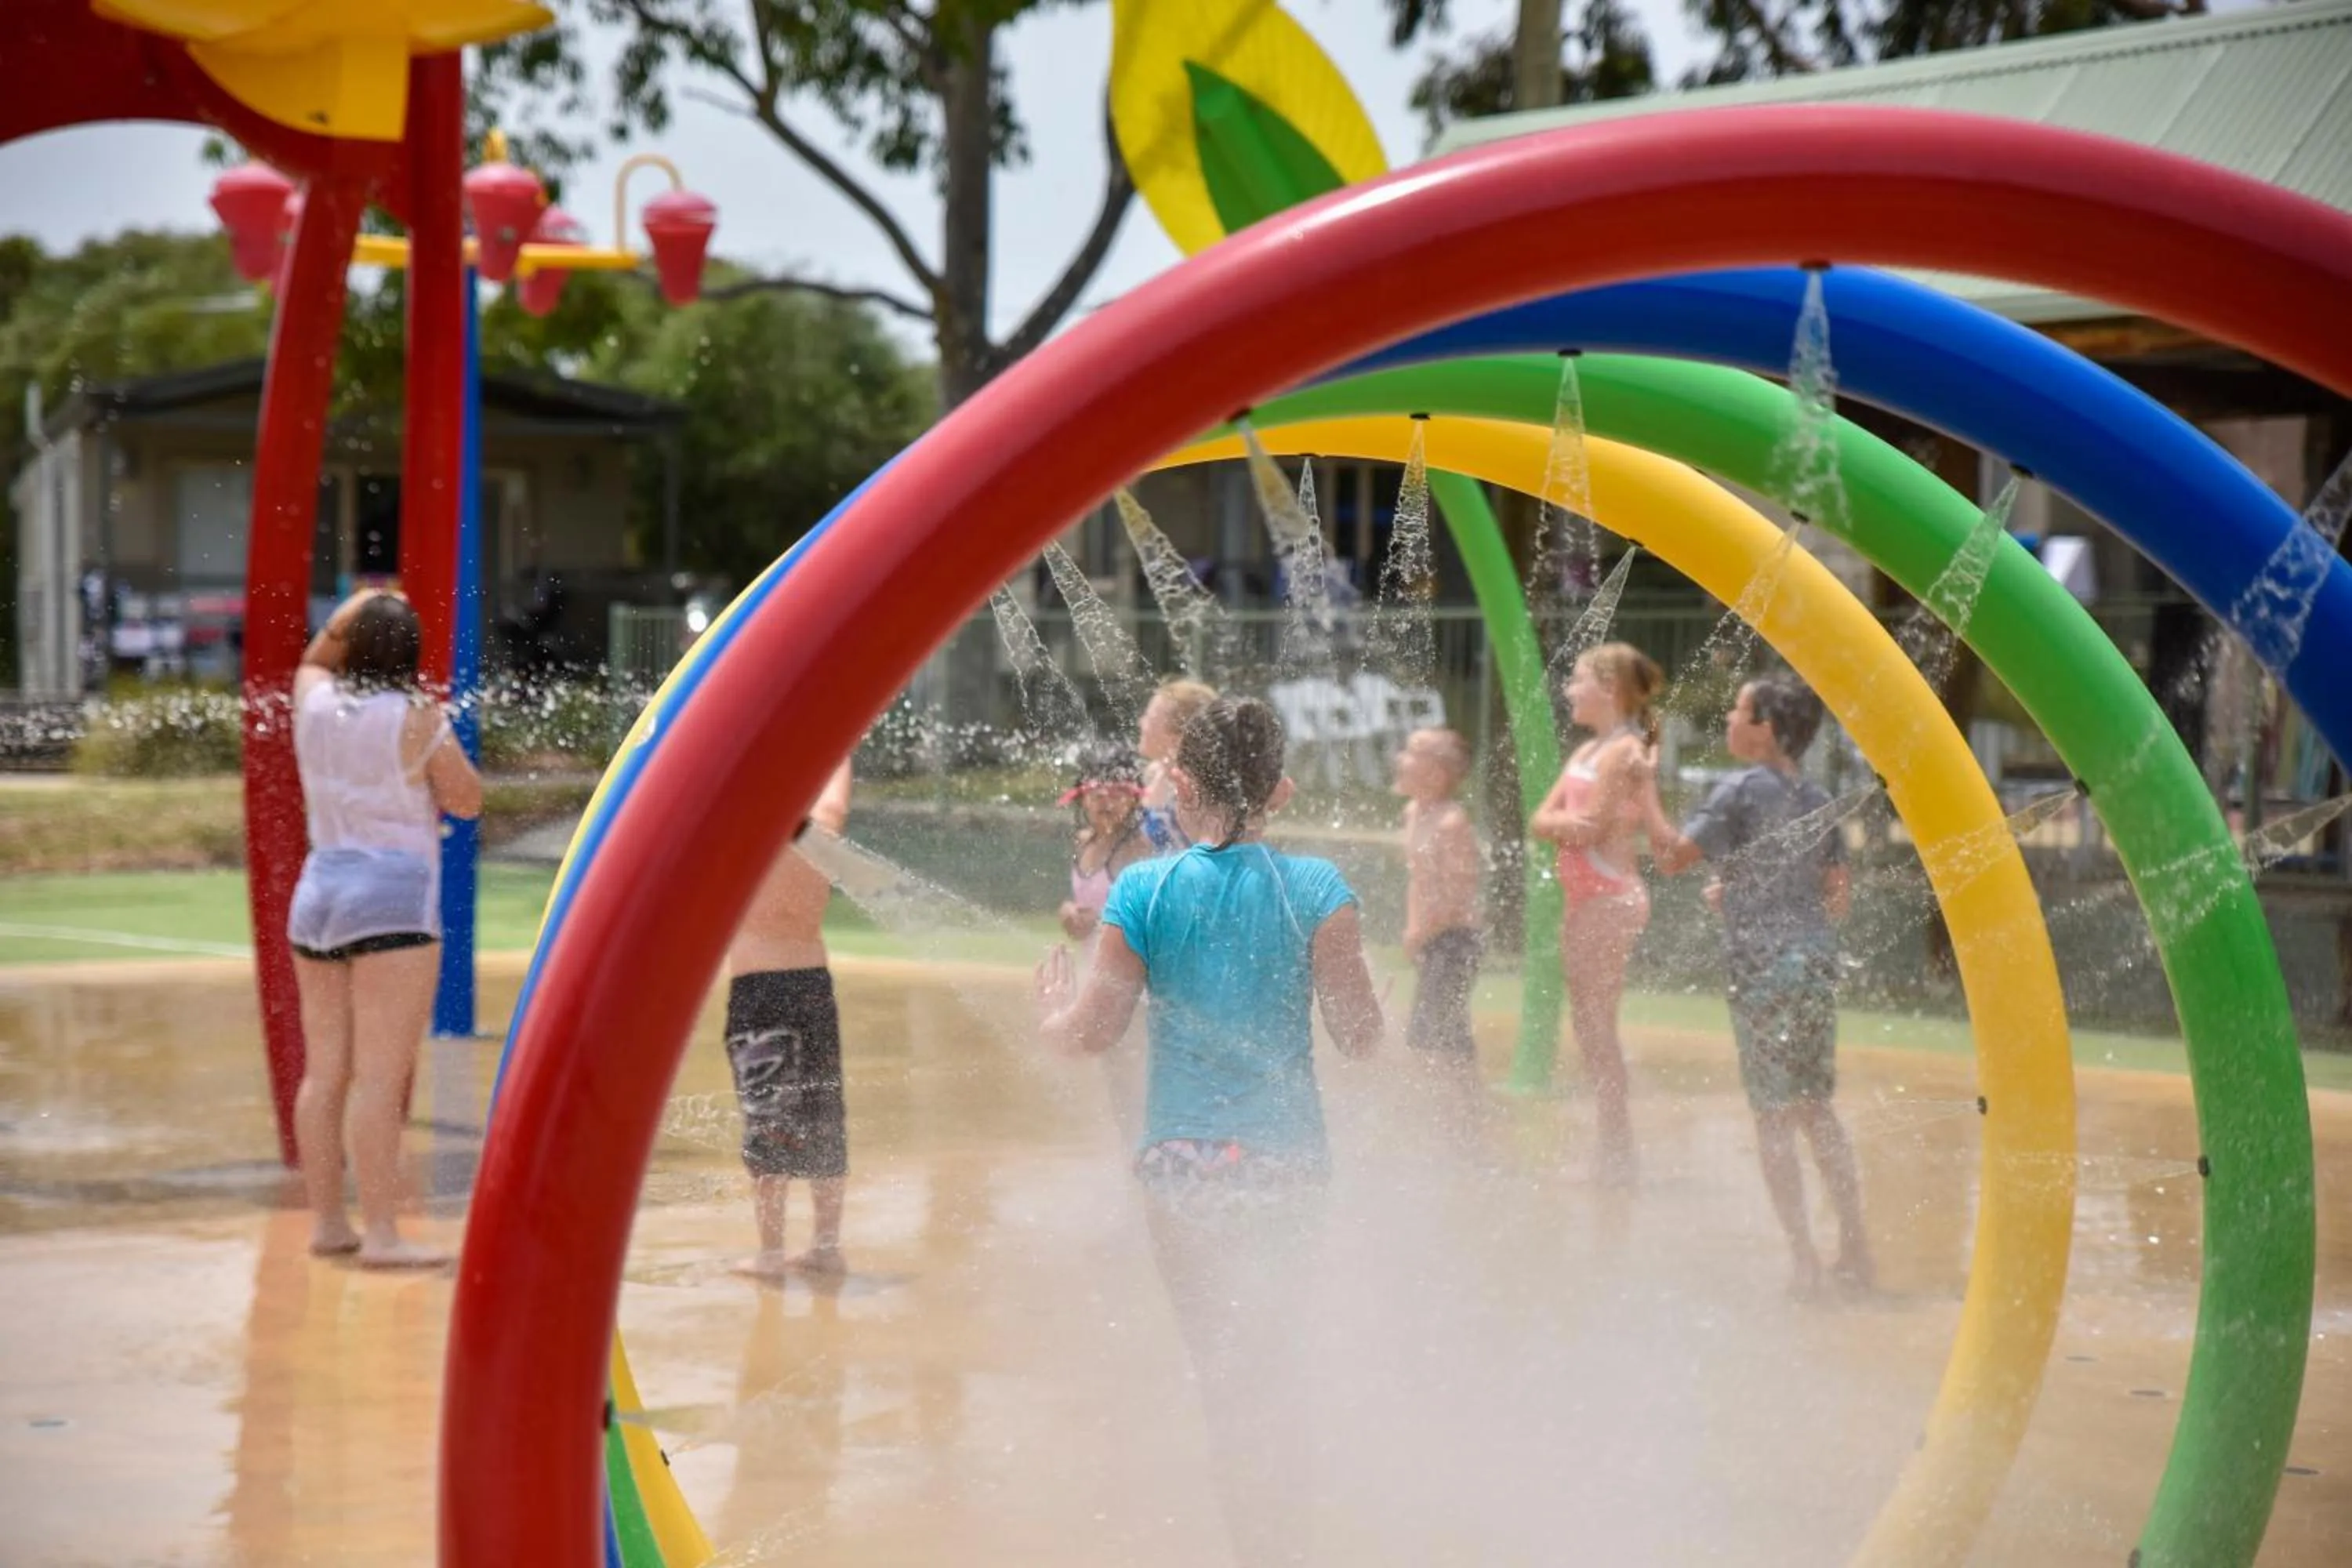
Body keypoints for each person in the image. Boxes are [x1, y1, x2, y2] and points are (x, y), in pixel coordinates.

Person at [1036, 696, 1384, 1566]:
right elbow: (1361, 1036)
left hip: (1181, 1163)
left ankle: (1247, 1546)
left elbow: (1089, 1034)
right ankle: (1287, 1548)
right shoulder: (1318, 892)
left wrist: (1049, 1014)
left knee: (1221, 1372)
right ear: (1283, 788)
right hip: (1288, 1160)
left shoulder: (1144, 888)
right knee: (1276, 1360)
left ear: (1178, 784)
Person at [1645, 675, 1874, 1299]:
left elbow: (1669, 857)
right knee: (1816, 1110)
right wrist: (1747, 893)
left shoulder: (1739, 789)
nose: (1727, 715)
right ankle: (1856, 1247)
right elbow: (1836, 897)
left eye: (1738, 709)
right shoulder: (1818, 795)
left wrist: (1643, 790)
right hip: (1814, 962)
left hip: (1764, 970)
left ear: (1765, 729)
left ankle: (1804, 1261)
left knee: (1773, 1117)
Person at [287, 588, 482, 1268]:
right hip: (393, 903)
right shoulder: (418, 717)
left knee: (325, 1071)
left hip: (318, 897)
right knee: (380, 1076)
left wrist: (363, 601)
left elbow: (316, 653)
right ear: (411, 654)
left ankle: (328, 1225)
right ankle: (382, 1236)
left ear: (346, 641)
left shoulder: (311, 701)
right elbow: (466, 800)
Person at [1529, 641, 1666, 1186]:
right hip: (1587, 899)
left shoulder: (1622, 751)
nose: (1568, 690)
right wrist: (1560, 823)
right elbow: (1545, 818)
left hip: (1610, 896)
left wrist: (1558, 824)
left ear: (1607, 689)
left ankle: (1617, 1152)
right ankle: (1613, 1147)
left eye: (1577, 680)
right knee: (1587, 1026)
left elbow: (1588, 824)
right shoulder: (1587, 754)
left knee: (1598, 1027)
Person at [724, 757, 856, 1280]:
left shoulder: (742, 833)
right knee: (824, 1114)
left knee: (767, 1120)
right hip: (812, 986)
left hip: (759, 992)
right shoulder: (819, 830)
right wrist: (837, 745)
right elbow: (835, 798)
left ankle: (771, 1253)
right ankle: (826, 1245)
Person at [1394, 727, 1485, 1078]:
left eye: (1413, 752)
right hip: (1431, 936)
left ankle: (1462, 1112)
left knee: (1438, 1033)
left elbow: (1459, 893)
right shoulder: (1413, 812)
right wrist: (1413, 928)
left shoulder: (1452, 822)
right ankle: (1454, 1111)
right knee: (1435, 1031)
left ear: (1437, 772)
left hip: (1455, 937)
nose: (1401, 758)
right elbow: (1419, 882)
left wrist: (1421, 932)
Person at [1056, 743, 1152, 944]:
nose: (1106, 803)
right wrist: (1069, 912)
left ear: (1134, 800)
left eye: (1117, 795)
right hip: (1093, 969)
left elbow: (1153, 920)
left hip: (1130, 972)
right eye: (1097, 794)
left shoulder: (1139, 849)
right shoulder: (1083, 842)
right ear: (1083, 799)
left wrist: (1100, 921)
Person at [1135, 677, 1218, 853]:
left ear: (1177, 735)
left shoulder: (1198, 790)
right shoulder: (1153, 773)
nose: (1140, 723)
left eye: (1149, 718)